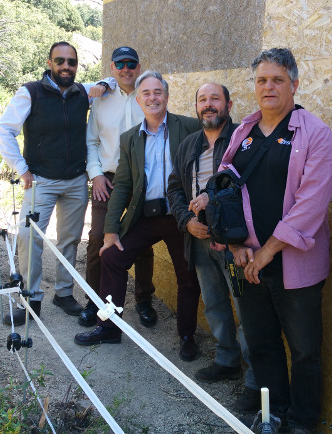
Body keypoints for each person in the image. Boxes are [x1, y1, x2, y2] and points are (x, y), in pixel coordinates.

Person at [192, 48, 332, 432]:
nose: (268, 86)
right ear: (254, 86)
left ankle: (303, 421)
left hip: (292, 265)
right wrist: (237, 245)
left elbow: (311, 205)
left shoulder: (315, 134)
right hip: (245, 261)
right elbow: (225, 185)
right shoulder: (244, 131)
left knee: (305, 349)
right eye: (261, 80)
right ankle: (272, 413)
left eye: (277, 79)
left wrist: (267, 252)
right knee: (261, 342)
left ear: (294, 83)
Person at [74, 71, 203, 362]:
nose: (152, 97)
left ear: (166, 97)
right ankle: (109, 326)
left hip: (180, 217)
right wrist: (111, 230)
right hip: (144, 216)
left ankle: (186, 336)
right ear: (139, 100)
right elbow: (122, 186)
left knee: (187, 276)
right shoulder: (130, 139)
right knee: (111, 256)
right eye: (146, 93)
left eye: (158, 92)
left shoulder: (190, 127)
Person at [0, 41, 108, 326]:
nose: (66, 67)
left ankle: (63, 293)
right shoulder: (30, 92)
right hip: (40, 181)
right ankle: (30, 298)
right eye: (60, 61)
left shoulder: (83, 92)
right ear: (49, 62)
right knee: (28, 236)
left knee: (69, 241)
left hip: (75, 181)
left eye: (71, 62)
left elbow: (111, 82)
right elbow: (4, 130)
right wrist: (22, 169)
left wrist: (105, 84)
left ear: (77, 66)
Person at [166, 82, 260, 412]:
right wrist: (185, 221)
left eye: (215, 99)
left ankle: (254, 379)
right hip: (200, 240)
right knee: (215, 305)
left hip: (233, 242)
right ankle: (227, 359)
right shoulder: (188, 144)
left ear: (228, 104)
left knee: (246, 310)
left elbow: (247, 186)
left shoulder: (243, 139)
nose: (208, 105)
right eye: (202, 99)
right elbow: (174, 187)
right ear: (196, 107)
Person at [81, 46, 157, 329]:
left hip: (143, 182)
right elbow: (91, 142)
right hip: (108, 181)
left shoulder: (148, 97)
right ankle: (94, 301)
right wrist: (96, 175)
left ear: (139, 67)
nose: (126, 69)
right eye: (120, 64)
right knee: (98, 239)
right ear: (111, 68)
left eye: (132, 64)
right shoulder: (101, 99)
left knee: (143, 244)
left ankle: (144, 300)